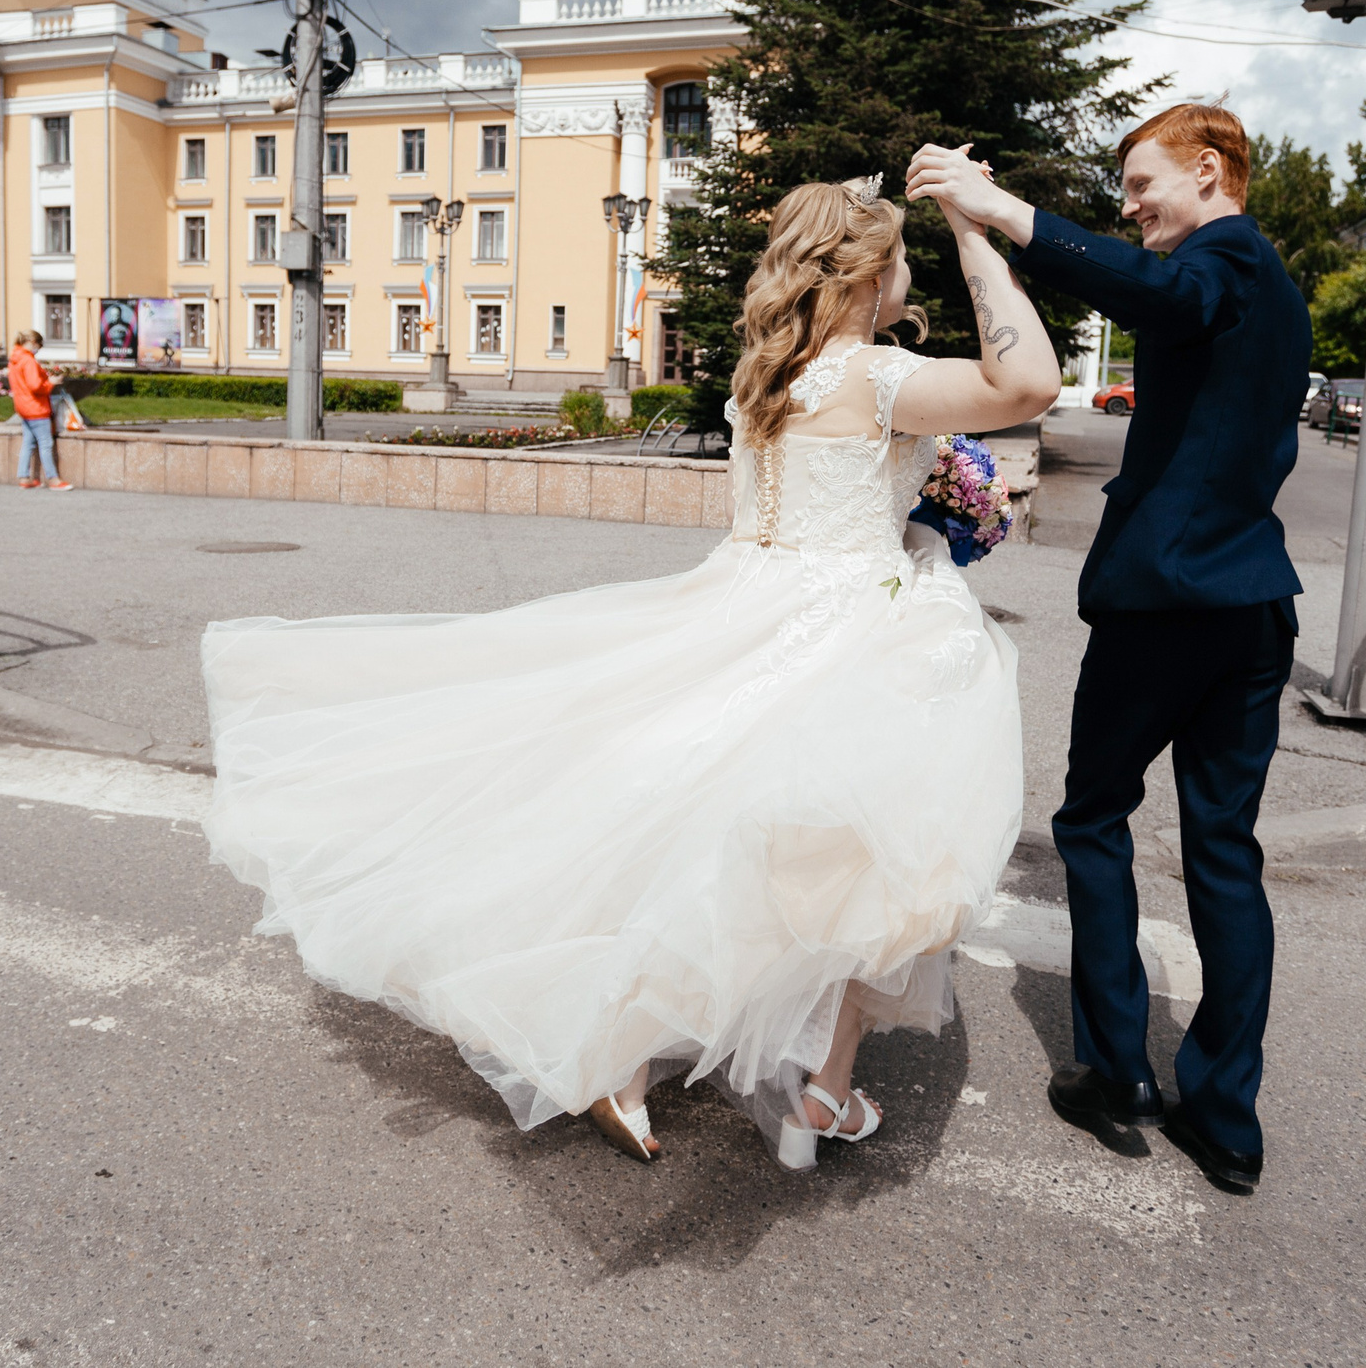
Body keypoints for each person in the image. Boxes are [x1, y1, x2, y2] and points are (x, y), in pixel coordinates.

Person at [202, 175, 1064, 1170]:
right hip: (845, 626)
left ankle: (626, 1059)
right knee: (865, 864)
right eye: (904, 252)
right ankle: (817, 1094)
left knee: (685, 825)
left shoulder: (766, 378)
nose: (913, 266)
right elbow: (1029, 383)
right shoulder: (875, 378)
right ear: (871, 270)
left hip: (742, 603)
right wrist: (975, 232)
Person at [906, 104, 1309, 1196]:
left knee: (1093, 820)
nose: (1129, 207)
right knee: (1225, 852)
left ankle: (1117, 1072)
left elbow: (1157, 289)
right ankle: (1224, 1116)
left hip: (1161, 607)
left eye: (1142, 184)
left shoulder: (1220, 261)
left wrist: (997, 211)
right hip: (1253, 607)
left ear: (1211, 171)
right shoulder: (1273, 283)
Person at [6, 330, 68, 490]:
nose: (38, 350)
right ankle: (53, 479)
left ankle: (24, 477)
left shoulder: (14, 359)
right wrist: (51, 382)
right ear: (34, 342)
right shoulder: (28, 361)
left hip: (23, 407)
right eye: (39, 347)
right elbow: (35, 386)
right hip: (36, 408)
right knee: (46, 443)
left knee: (28, 443)